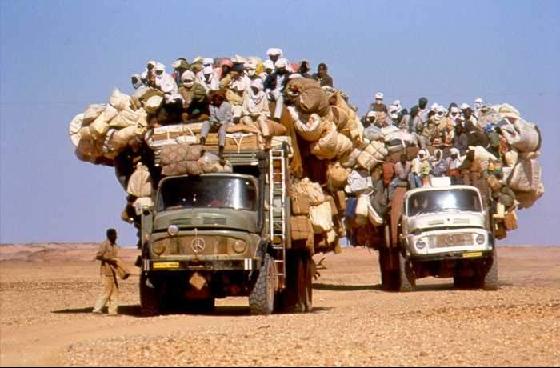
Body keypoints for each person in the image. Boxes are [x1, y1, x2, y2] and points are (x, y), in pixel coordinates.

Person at [93, 228, 128, 315]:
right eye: (114, 235)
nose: (116, 236)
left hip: (113, 272)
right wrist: (109, 260)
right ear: (109, 236)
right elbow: (98, 256)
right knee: (105, 291)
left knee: (115, 292)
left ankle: (113, 311)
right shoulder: (104, 244)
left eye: (116, 235)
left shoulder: (115, 246)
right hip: (106, 272)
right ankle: (97, 310)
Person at [200, 91, 233, 164]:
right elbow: (212, 116)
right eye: (215, 100)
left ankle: (221, 149)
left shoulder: (227, 105)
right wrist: (213, 123)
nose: (216, 102)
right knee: (205, 123)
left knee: (222, 131)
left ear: (221, 100)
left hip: (226, 122)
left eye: (218, 100)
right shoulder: (212, 105)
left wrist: (221, 123)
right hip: (216, 122)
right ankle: (202, 140)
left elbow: (228, 117)